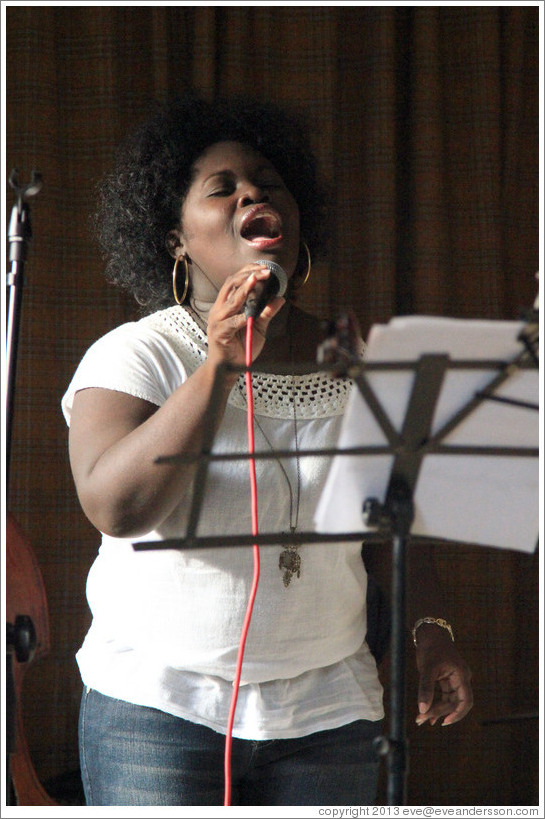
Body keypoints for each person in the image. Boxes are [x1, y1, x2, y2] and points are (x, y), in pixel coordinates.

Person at [61, 93, 473, 807]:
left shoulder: (361, 361)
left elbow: (392, 528)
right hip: (158, 711)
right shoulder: (136, 355)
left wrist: (428, 630)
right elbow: (115, 506)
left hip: (329, 714)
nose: (251, 191)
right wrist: (219, 366)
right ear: (174, 239)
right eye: (221, 188)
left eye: (268, 182)